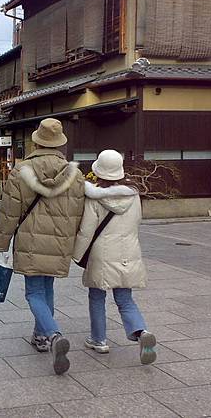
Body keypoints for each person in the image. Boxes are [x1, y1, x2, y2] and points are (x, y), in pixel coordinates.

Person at [0, 118, 85, 375]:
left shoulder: (21, 171)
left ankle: (53, 336)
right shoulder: (74, 175)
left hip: (30, 240)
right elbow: (79, 212)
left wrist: (1, 244)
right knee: (47, 288)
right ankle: (40, 336)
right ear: (60, 143)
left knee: (34, 292)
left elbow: (9, 212)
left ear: (36, 141)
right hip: (59, 240)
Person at [73, 150, 157, 364]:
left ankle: (99, 340)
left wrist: (76, 255)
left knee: (97, 296)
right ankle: (141, 332)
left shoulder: (94, 196)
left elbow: (87, 230)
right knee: (124, 298)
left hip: (102, 252)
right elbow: (137, 221)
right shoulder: (133, 194)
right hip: (128, 250)